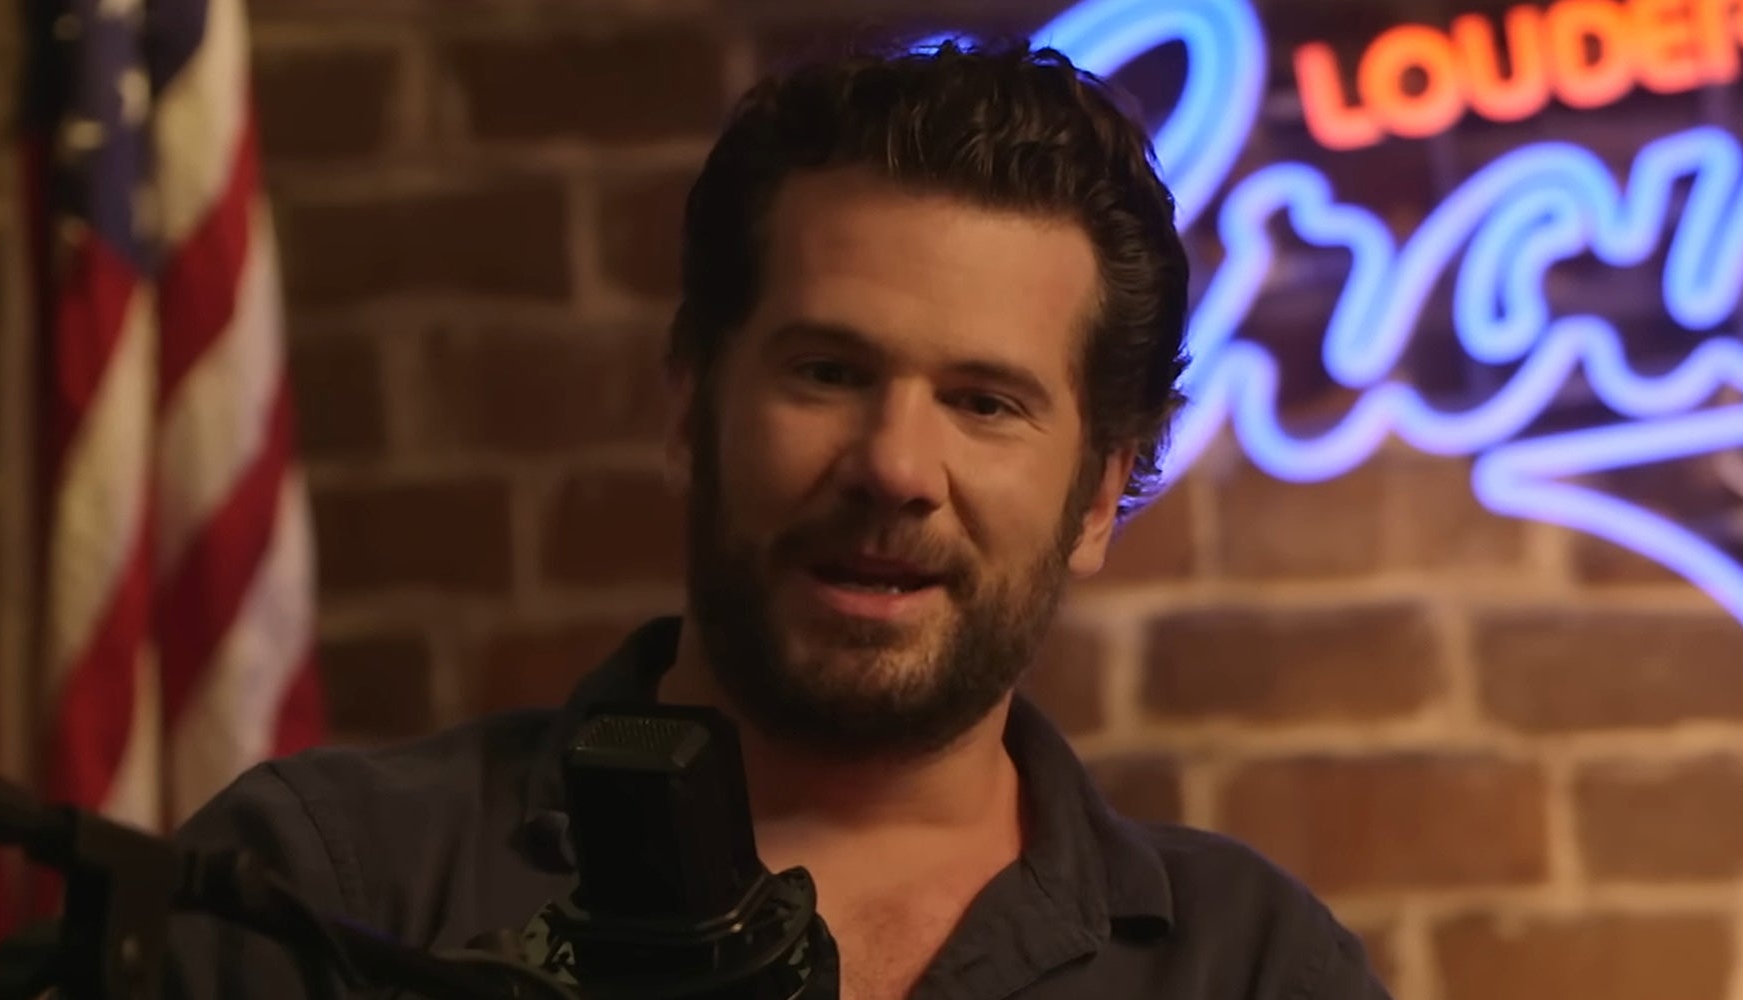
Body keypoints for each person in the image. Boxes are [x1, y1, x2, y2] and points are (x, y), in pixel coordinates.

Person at [165, 40, 1393, 1000]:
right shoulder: (325, 886)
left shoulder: (1251, 970)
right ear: (692, 405)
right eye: (825, 372)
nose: (893, 465)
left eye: (983, 401)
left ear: (1096, 493)